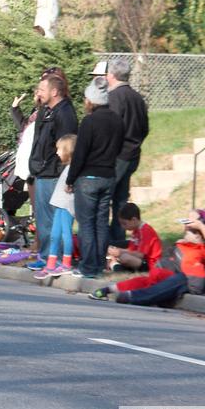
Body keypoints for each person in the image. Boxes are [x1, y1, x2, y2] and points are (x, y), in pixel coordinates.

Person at [66, 77, 123, 278]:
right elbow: (119, 148)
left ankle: (88, 267)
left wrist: (70, 179)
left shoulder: (89, 122)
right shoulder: (117, 120)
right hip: (108, 176)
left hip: (88, 177)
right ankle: (99, 265)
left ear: (91, 101)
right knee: (101, 222)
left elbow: (80, 153)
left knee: (87, 223)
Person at [99, 59, 150, 245]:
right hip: (132, 154)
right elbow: (145, 128)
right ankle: (118, 239)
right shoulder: (137, 98)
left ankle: (103, 241)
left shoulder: (114, 97)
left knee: (105, 198)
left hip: (117, 156)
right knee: (120, 199)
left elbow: (111, 127)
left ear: (111, 75)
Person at [29, 73, 78, 260]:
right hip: (42, 171)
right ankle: (46, 256)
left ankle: (52, 258)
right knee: (44, 220)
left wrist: (57, 170)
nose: (38, 93)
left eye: (42, 90)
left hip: (53, 174)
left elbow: (66, 147)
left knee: (52, 220)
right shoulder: (48, 110)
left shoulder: (64, 113)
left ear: (55, 91)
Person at [32, 134, 77, 279]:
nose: (56, 152)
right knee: (55, 234)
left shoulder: (73, 169)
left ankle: (66, 263)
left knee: (65, 234)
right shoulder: (67, 167)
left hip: (66, 206)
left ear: (68, 150)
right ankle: (51, 264)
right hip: (59, 204)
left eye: (59, 149)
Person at [105, 203, 162, 272]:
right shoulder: (136, 230)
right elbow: (131, 249)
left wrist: (120, 252)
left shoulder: (146, 231)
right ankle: (114, 264)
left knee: (124, 258)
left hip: (150, 263)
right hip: (139, 259)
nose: (123, 227)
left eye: (124, 223)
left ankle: (116, 266)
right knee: (114, 251)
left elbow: (140, 255)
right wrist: (117, 252)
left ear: (134, 220)